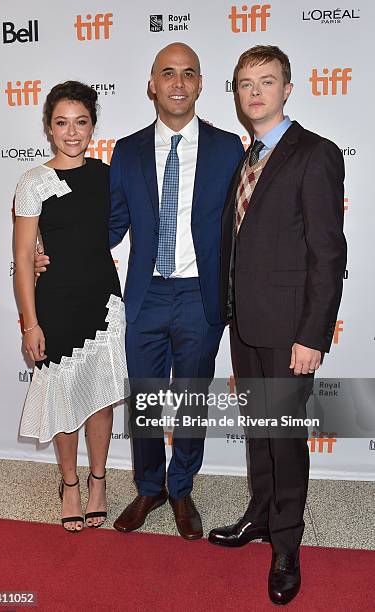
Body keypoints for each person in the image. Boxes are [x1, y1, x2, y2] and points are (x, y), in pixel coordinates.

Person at [35, 43, 244, 539]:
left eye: (188, 73)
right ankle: (149, 486)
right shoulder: (126, 151)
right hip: (145, 295)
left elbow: (243, 225)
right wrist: (47, 251)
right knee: (146, 399)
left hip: (201, 296)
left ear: (200, 84)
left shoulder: (226, 148)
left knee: (191, 398)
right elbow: (108, 227)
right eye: (167, 73)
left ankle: (181, 488)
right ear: (152, 84)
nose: (177, 82)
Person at [209, 46, 347, 605]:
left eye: (267, 81)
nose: (256, 91)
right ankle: (261, 516)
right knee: (261, 432)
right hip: (246, 323)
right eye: (246, 83)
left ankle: (288, 544)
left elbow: (327, 252)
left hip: (292, 330)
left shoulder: (315, 154)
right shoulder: (246, 157)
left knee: (286, 439)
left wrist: (313, 335)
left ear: (288, 88)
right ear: (238, 92)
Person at [14, 81, 128, 533]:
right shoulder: (32, 182)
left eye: (81, 122)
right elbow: (24, 258)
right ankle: (69, 485)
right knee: (63, 398)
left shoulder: (107, 175)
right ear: (48, 128)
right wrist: (30, 323)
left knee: (100, 397)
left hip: (103, 301)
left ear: (93, 126)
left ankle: (98, 480)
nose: (72, 132)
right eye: (62, 122)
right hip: (56, 303)